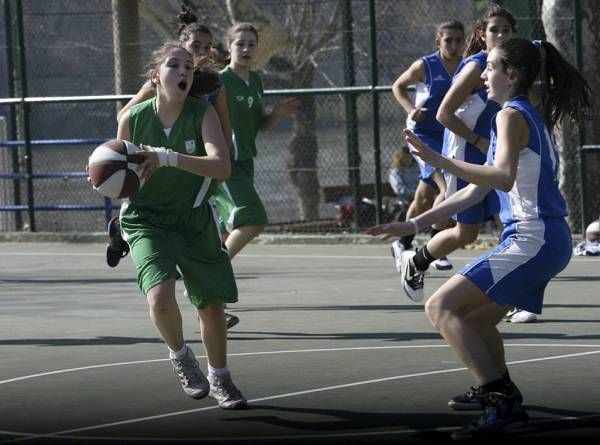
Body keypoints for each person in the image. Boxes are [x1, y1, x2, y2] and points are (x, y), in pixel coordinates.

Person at [367, 37, 591, 437]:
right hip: (544, 238)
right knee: (475, 320)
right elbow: (474, 191)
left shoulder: (510, 117)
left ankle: (498, 399)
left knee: (440, 308)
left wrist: (440, 159)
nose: (482, 74)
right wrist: (415, 225)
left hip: (533, 237)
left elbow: (501, 176)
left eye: (490, 67)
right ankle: (503, 394)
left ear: (513, 75)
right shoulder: (518, 114)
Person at [114, 42, 249, 410]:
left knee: (211, 307)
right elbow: (119, 172)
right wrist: (104, 175)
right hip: (146, 218)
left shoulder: (201, 113)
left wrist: (167, 157)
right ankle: (180, 356)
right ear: (156, 76)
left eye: (188, 67)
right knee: (159, 296)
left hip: (192, 217)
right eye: (174, 66)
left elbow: (221, 167)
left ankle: (220, 377)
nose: (184, 72)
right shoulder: (133, 118)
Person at [106, 7, 241, 329]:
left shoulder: (212, 84)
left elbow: (224, 124)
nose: (201, 53)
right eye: (195, 46)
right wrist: (110, 159)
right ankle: (124, 229)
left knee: (208, 225)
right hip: (159, 162)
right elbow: (124, 116)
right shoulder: (160, 83)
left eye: (206, 48)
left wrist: (219, 153)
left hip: (199, 159)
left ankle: (209, 303)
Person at [396, 4, 516, 304]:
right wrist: (477, 141)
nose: (500, 35)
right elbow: (444, 114)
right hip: (466, 150)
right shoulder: (476, 66)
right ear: (482, 34)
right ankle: (417, 260)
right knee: (466, 233)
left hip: (492, 151)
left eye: (506, 30)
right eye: (494, 30)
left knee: (509, 221)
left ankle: (513, 295)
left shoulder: (514, 63)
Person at [209, 22, 300, 318]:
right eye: (240, 44)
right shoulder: (219, 82)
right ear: (229, 47)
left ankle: (212, 299)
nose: (247, 49)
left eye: (251, 44)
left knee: (230, 231)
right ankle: (209, 280)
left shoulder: (256, 81)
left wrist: (276, 114)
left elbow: (261, 125)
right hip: (224, 163)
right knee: (254, 219)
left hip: (246, 162)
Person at [390, 19, 465, 272]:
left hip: (449, 135)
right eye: (448, 40)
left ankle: (402, 242)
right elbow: (397, 86)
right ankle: (435, 248)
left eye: (458, 40)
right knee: (446, 186)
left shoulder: (468, 66)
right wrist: (411, 109)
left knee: (423, 197)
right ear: (438, 42)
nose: (454, 45)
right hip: (421, 135)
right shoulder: (426, 65)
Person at [388, 145, 420, 212]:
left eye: (409, 157)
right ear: (399, 158)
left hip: (420, 196)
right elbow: (399, 188)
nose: (408, 160)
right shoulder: (395, 171)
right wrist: (413, 194)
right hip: (405, 200)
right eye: (405, 157)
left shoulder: (417, 167)